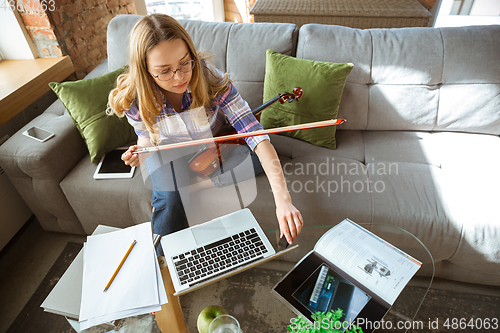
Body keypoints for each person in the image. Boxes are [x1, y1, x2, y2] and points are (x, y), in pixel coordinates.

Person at [107, 13, 302, 254]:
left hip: (212, 145)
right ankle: (163, 265)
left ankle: (193, 183)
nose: (179, 77)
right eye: (164, 71)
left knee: (260, 159)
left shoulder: (209, 77)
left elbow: (255, 134)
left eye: (184, 63)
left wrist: (283, 201)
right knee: (169, 200)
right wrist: (144, 151)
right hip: (170, 152)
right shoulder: (133, 97)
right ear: (145, 71)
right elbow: (145, 136)